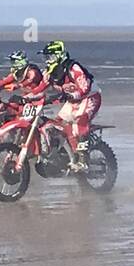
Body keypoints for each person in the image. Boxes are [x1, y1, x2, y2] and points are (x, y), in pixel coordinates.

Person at [38, 40, 102, 171]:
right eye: (46, 57)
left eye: (50, 56)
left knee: (79, 124)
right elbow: (40, 88)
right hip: (72, 100)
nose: (47, 60)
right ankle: (67, 155)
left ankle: (83, 160)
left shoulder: (73, 68)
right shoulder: (49, 72)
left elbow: (84, 87)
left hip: (90, 97)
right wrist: (25, 98)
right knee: (57, 125)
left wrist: (73, 95)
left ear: (59, 55)